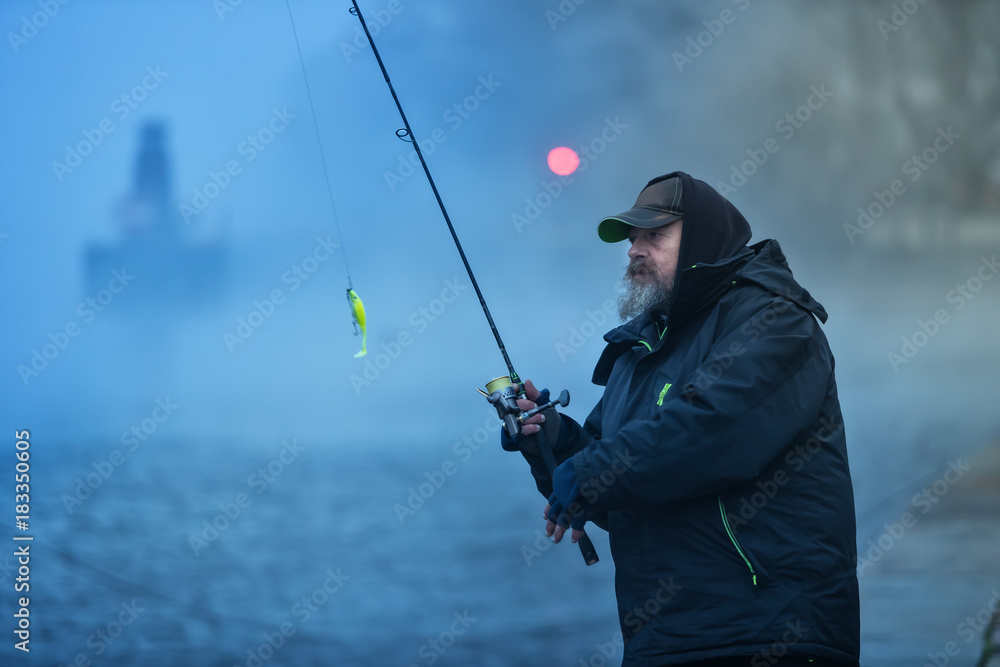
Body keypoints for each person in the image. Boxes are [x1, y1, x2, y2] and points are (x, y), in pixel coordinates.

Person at [503, 172, 860, 666]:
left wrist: (588, 474)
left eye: (655, 235)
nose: (634, 250)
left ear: (702, 240)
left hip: (769, 635)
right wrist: (555, 442)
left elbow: (712, 434)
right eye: (632, 239)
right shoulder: (639, 350)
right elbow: (622, 491)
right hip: (661, 640)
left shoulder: (775, 321)